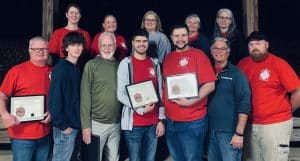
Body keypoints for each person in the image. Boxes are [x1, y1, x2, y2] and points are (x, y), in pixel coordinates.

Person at [237, 31, 300, 161]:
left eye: (258, 44)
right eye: (251, 44)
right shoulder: (242, 65)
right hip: (250, 124)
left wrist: (287, 110)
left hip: (275, 124)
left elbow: (297, 91)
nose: (254, 47)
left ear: (266, 45)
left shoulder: (278, 64)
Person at [163, 23, 216, 161]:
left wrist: (191, 101)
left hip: (192, 121)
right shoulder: (168, 58)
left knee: (193, 158)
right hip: (171, 120)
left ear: (188, 36)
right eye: (176, 36)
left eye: (183, 35)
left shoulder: (199, 55)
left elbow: (210, 85)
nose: (180, 39)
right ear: (171, 38)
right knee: (177, 157)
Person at [0, 36, 52, 161]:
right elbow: (2, 96)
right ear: (29, 50)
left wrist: (52, 112)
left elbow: (55, 99)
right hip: (22, 136)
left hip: (45, 134)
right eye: (36, 49)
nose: (40, 51)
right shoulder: (16, 71)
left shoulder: (53, 71)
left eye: (44, 48)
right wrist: (5, 114)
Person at [117, 29, 165, 161]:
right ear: (132, 43)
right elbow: (120, 94)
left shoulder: (155, 64)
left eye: (144, 41)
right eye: (138, 41)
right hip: (134, 125)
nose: (141, 44)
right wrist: (140, 109)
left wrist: (161, 120)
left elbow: (160, 93)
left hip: (153, 124)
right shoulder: (126, 64)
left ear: (148, 43)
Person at [207, 37, 251, 161]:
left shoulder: (237, 74)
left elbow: (245, 103)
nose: (219, 51)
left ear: (228, 52)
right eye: (216, 48)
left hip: (229, 133)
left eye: (223, 49)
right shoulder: (207, 71)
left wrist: (239, 133)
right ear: (211, 51)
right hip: (211, 131)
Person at [81, 32, 122, 161]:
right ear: (99, 46)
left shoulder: (121, 65)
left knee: (114, 159)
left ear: (115, 45)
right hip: (96, 124)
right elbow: (85, 96)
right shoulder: (91, 65)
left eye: (110, 45)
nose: (107, 48)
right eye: (104, 45)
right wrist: (86, 126)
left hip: (116, 123)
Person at [48, 31, 85, 161]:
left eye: (79, 44)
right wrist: (64, 126)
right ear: (66, 47)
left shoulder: (76, 67)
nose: (77, 48)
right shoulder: (61, 69)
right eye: (73, 44)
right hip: (65, 127)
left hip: (74, 125)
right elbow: (54, 100)